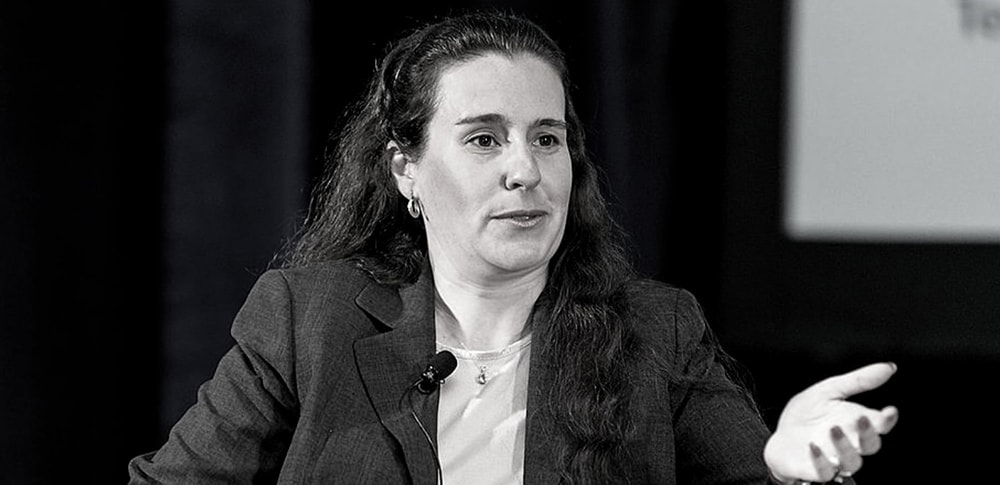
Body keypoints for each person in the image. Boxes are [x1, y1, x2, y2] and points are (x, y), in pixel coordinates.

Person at [128, 10, 898, 484]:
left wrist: (789, 470)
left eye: (547, 138)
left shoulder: (657, 332)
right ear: (406, 170)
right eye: (484, 139)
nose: (525, 169)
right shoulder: (308, 319)